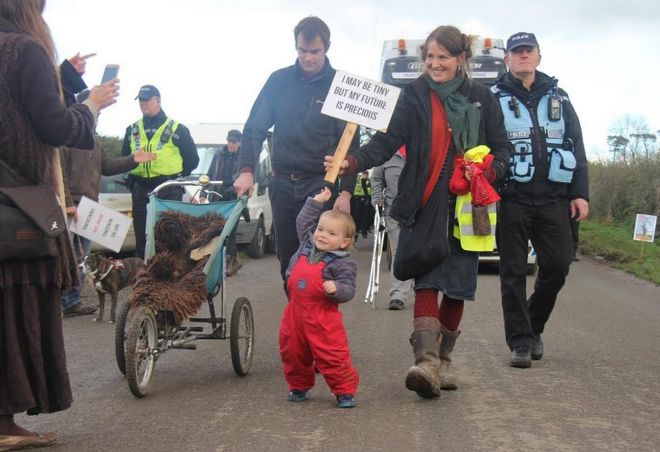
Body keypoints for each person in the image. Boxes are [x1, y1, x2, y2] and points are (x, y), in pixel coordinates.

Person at [327, 25, 511, 398]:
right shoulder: (412, 96)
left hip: (469, 205)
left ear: (461, 59)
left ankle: (443, 362)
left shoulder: (482, 99)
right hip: (422, 202)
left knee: (457, 287)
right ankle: (425, 363)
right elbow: (386, 141)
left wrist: (489, 172)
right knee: (425, 279)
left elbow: (503, 150)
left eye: (442, 56)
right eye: (429, 56)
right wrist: (352, 162)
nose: (434, 63)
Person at [0, 0, 118, 448]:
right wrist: (89, 105)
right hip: (19, 207)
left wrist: (62, 78)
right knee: (17, 307)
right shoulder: (24, 48)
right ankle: (4, 423)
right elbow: (52, 125)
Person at [234, 16, 358, 282]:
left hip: (320, 186)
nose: (308, 57)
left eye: (315, 51)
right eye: (302, 50)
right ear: (296, 47)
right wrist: (246, 170)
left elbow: (350, 143)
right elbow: (255, 128)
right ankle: (297, 313)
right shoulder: (278, 81)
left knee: (319, 257)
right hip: (282, 183)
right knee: (288, 259)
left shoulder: (341, 86)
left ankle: (315, 318)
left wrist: (346, 190)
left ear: (326, 48)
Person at [491, 32, 589, 368]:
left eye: (527, 51)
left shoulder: (560, 98)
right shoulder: (493, 98)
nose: (522, 57)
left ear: (538, 56)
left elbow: (577, 146)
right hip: (513, 197)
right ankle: (519, 342)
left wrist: (579, 193)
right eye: (516, 52)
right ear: (507, 59)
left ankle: (532, 326)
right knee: (513, 272)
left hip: (554, 198)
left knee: (559, 265)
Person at [60, 89, 156, 317]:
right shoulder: (66, 136)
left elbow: (107, 167)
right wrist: (66, 201)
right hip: (71, 206)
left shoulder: (93, 138)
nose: (98, 113)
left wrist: (133, 160)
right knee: (67, 257)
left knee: (82, 259)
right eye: (96, 108)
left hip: (89, 207)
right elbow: (60, 171)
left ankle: (72, 302)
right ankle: (58, 303)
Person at [279, 187, 359, 408]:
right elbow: (302, 221)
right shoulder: (307, 245)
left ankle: (344, 390)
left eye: (332, 234)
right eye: (321, 229)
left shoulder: (342, 263)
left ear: (345, 242)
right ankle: (298, 385)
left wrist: (337, 288)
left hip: (323, 317)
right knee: (292, 350)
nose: (322, 235)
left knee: (332, 354)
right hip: (295, 311)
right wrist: (316, 202)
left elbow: (349, 289)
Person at [120, 84, 199, 259]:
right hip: (141, 189)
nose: (143, 103)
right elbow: (124, 158)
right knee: (142, 238)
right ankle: (144, 281)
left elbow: (193, 160)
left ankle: (168, 282)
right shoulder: (132, 129)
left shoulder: (177, 128)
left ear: (158, 101)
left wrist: (175, 175)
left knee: (169, 238)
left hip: (168, 189)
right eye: (140, 100)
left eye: (147, 100)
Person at [371, 149, 414, 311]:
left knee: (418, 252)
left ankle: (420, 289)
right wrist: (376, 197)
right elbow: (376, 178)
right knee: (399, 251)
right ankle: (398, 295)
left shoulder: (420, 144)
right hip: (393, 211)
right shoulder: (387, 150)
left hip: (419, 211)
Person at [206, 129, 243, 276]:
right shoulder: (218, 155)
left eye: (233, 142)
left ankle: (230, 261)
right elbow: (209, 175)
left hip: (234, 198)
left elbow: (241, 177)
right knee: (217, 230)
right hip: (217, 196)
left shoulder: (242, 158)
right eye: (229, 141)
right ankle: (228, 261)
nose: (230, 144)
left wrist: (234, 190)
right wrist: (204, 191)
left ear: (239, 142)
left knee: (230, 231)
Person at [351, 171, 373, 239]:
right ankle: (356, 232)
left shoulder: (369, 179)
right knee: (356, 215)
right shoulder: (358, 178)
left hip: (367, 198)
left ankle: (364, 230)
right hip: (357, 198)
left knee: (366, 215)